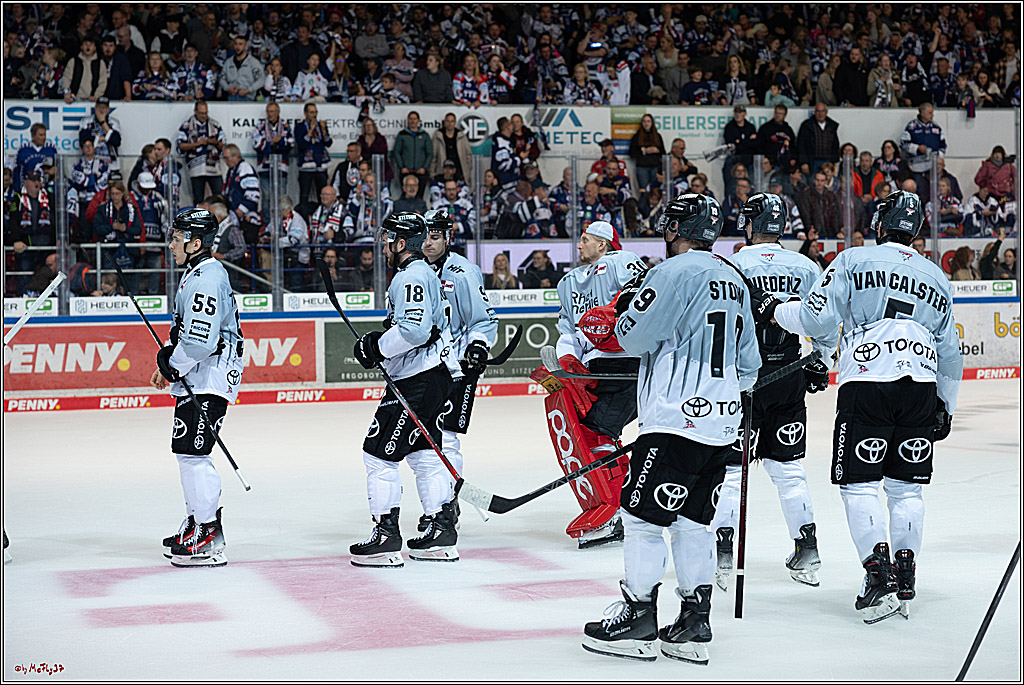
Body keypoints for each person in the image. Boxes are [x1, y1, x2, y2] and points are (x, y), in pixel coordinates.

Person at [758, 190, 962, 624]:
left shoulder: (852, 260)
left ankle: (877, 574)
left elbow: (815, 319)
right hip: (921, 383)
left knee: (860, 485)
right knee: (907, 489)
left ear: (879, 223)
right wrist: (946, 403)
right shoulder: (936, 275)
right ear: (917, 229)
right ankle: (905, 574)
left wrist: (777, 311)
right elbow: (951, 352)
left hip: (868, 380)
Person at [582, 194, 759, 664]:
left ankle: (638, 618)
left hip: (674, 418)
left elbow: (632, 337)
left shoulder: (671, 272)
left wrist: (626, 308)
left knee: (642, 520)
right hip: (721, 424)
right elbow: (749, 364)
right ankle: (694, 622)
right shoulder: (734, 278)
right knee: (694, 524)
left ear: (677, 228)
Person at [712, 193, 829, 592]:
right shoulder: (806, 266)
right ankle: (807, 550)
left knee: (730, 470)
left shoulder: (732, 264)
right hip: (787, 376)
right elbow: (823, 319)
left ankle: (721, 553)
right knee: (789, 470)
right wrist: (821, 360)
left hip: (740, 380)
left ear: (749, 223)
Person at [349, 212, 460, 566]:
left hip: (419, 378)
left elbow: (414, 330)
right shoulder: (422, 272)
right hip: (433, 375)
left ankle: (386, 537)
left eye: (387, 240)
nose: (383, 246)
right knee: (423, 454)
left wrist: (376, 347)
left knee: (378, 454)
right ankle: (440, 531)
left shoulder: (410, 276)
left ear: (400, 243)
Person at [535, 222, 646, 548]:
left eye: (586, 240)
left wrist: (613, 316)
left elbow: (641, 300)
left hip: (628, 363)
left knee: (598, 433)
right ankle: (624, 505)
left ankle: (621, 509)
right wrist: (568, 363)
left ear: (604, 244)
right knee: (595, 434)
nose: (579, 245)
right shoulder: (570, 281)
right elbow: (569, 330)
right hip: (596, 369)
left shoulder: (622, 261)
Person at [150, 208, 244, 569]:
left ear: (196, 243)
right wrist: (170, 364)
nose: (171, 244)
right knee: (187, 451)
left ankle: (208, 534)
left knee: (194, 453)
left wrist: (172, 364)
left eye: (177, 238)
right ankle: (196, 523)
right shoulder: (197, 273)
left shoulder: (206, 278)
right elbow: (189, 334)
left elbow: (201, 342)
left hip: (210, 376)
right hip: (200, 374)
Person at [421, 209, 498, 529]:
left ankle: (447, 506)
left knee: (447, 438)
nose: (428, 243)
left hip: (456, 366)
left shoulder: (463, 272)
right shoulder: (413, 271)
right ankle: (435, 503)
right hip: (422, 368)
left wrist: (478, 346)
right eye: (424, 236)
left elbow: (483, 319)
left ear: (447, 238)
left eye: (435, 237)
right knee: (423, 441)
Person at [177, 100, 225, 205]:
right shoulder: (186, 126)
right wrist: (197, 144)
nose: (204, 116)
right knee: (198, 199)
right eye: (201, 113)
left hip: (214, 167)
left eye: (206, 113)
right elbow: (180, 146)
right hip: (196, 168)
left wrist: (215, 142)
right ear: (195, 111)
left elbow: (223, 146)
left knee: (219, 196)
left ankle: (220, 214)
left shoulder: (215, 125)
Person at [252, 101, 294, 216]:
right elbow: (256, 144)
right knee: (266, 196)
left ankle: (281, 221)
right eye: (269, 111)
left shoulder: (285, 126)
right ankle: (266, 222)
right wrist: (271, 143)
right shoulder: (260, 126)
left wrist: (280, 141)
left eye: (273, 111)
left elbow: (291, 143)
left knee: (281, 196)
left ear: (278, 112)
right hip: (264, 167)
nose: (271, 114)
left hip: (281, 167)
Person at [900, 103, 946, 203]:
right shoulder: (912, 126)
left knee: (934, 193)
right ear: (922, 113)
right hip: (917, 168)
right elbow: (903, 144)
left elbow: (943, 146)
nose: (932, 115)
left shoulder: (936, 128)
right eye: (930, 113)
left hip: (933, 168)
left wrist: (939, 158)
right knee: (920, 194)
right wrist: (917, 148)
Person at [132, 172, 169, 295]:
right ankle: (134, 294)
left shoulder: (159, 198)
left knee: (156, 270)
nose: (147, 190)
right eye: (144, 187)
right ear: (138, 184)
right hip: (137, 243)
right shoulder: (131, 197)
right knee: (136, 270)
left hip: (155, 242)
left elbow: (166, 218)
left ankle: (154, 294)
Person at [295, 102, 334, 207]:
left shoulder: (321, 126)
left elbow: (328, 143)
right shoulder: (299, 126)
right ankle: (304, 216)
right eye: (311, 112)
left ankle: (323, 214)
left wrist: (324, 130)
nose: (314, 115)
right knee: (304, 195)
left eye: (316, 112)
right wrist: (311, 130)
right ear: (305, 113)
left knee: (323, 194)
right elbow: (301, 145)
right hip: (306, 167)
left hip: (320, 165)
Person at [221, 144, 261, 246]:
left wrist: (242, 210)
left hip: (246, 220)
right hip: (235, 218)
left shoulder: (245, 168)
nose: (225, 161)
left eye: (226, 158)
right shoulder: (231, 171)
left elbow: (254, 193)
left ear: (236, 156)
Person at [392, 111, 432, 200]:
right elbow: (397, 152)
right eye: (410, 119)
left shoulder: (424, 135)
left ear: (418, 121)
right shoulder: (402, 134)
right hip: (406, 171)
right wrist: (402, 167)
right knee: (406, 197)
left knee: (420, 197)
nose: (412, 121)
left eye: (414, 119)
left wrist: (424, 168)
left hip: (420, 172)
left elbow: (429, 154)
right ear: (408, 120)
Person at [796, 103, 840, 178]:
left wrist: (834, 161)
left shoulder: (832, 126)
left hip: (828, 162)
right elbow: (801, 145)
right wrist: (803, 162)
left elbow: (835, 145)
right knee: (812, 183)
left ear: (826, 112)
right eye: (818, 111)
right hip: (812, 162)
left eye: (822, 111)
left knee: (828, 183)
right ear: (814, 112)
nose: (820, 114)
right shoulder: (807, 125)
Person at [430, 113, 472, 187]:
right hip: (443, 172)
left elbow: (468, 155)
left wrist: (467, 171)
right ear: (444, 122)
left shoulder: (461, 135)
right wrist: (432, 173)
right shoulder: (438, 135)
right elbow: (433, 156)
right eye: (448, 121)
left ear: (455, 123)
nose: (450, 124)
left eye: (452, 121)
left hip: (459, 170)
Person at [61, 34, 107, 103]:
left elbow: (103, 82)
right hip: (74, 99)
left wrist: (96, 96)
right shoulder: (73, 61)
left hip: (93, 100)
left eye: (90, 45)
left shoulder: (100, 63)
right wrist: (67, 93)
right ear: (81, 47)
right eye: (86, 44)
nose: (88, 47)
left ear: (94, 48)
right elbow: (66, 78)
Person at [798, 171, 842, 238]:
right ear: (814, 180)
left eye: (822, 181)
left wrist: (837, 231)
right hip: (813, 234)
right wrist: (810, 231)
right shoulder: (806, 195)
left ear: (825, 182)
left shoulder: (831, 196)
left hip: (830, 234)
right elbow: (806, 216)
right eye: (817, 180)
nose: (819, 183)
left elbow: (835, 216)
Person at [629, 114, 666, 193]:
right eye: (644, 121)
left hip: (655, 167)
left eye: (648, 121)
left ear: (652, 123)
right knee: (644, 191)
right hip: (642, 167)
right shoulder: (637, 137)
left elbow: (663, 153)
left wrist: (656, 150)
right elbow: (631, 153)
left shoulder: (657, 136)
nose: (646, 124)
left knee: (655, 191)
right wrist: (644, 151)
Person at [758, 104, 797, 173]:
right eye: (776, 113)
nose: (778, 115)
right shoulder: (765, 128)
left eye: (780, 114)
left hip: (785, 164)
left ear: (785, 115)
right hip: (770, 164)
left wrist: (793, 158)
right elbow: (759, 145)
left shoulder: (788, 130)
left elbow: (793, 146)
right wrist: (765, 160)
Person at [70, 138, 109, 208]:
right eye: (86, 146)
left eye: (90, 146)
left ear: (94, 147)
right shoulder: (78, 164)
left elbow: (104, 183)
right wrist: (92, 178)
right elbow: (79, 182)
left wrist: (89, 178)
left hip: (98, 200)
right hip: (83, 201)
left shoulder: (103, 163)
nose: (88, 148)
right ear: (82, 149)